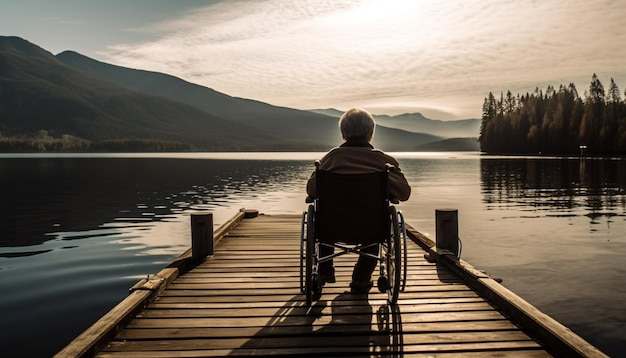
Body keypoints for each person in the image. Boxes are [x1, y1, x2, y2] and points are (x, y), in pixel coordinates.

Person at [306, 108, 411, 294]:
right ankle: (361, 278)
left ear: (343, 134)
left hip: (331, 227)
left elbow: (312, 191)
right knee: (375, 222)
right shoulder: (383, 162)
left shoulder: (329, 159)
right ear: (371, 134)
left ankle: (324, 269)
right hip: (372, 228)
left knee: (322, 213)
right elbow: (403, 193)